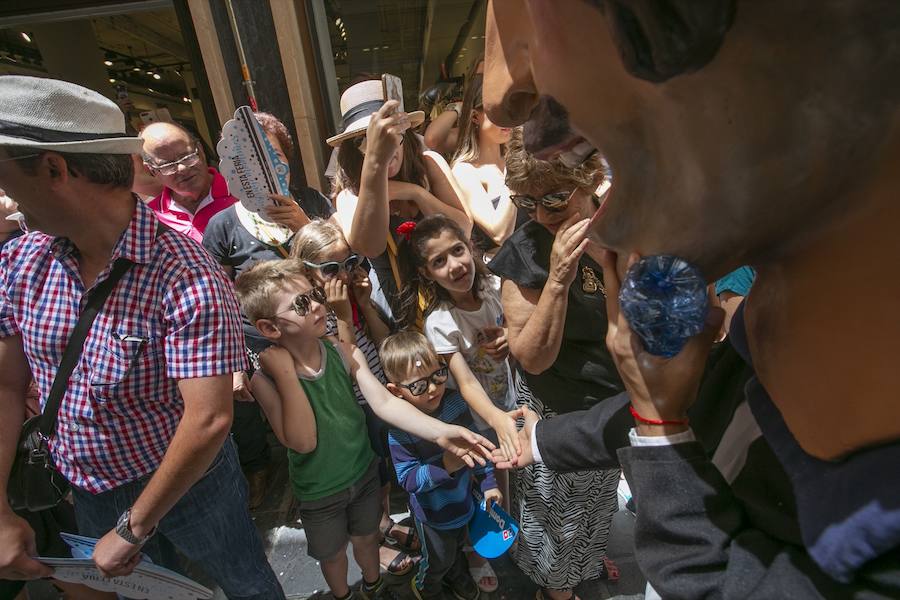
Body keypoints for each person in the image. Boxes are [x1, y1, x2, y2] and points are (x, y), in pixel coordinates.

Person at [483, 0, 900, 596]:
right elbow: (706, 395)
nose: (504, 92)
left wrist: (659, 427)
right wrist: (548, 437)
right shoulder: (767, 337)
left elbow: (711, 579)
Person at [0, 76, 285, 598]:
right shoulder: (20, 260)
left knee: (245, 581)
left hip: (193, 485)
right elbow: (5, 385)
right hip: (84, 486)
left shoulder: (185, 272)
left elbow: (209, 418)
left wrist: (133, 526)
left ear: (53, 170)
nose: (6, 198)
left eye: (6, 178)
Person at [233, 261, 495, 600]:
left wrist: (440, 432)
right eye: (301, 304)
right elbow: (303, 440)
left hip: (363, 473)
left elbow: (385, 404)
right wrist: (286, 376)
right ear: (269, 328)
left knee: (368, 538)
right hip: (319, 492)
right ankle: (344, 595)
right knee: (332, 555)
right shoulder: (267, 378)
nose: (316, 305)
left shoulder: (343, 351)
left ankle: (372, 586)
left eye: (314, 295)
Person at [487, 130, 623, 599]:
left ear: (590, 180)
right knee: (557, 519)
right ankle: (556, 588)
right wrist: (560, 278)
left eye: (555, 198)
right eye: (526, 202)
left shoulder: (626, 228)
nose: (541, 215)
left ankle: (584, 561)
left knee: (597, 504)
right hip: (555, 409)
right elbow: (532, 359)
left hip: (611, 405)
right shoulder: (525, 251)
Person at [202, 111, 335, 509]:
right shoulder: (222, 224)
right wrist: (235, 363)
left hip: (317, 333)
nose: (263, 170)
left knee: (329, 412)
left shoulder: (310, 200)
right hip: (261, 346)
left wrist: (302, 224)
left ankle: (337, 478)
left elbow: (334, 262)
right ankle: (290, 482)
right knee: (286, 425)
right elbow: (216, 299)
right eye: (250, 159)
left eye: (273, 156)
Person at [397, 214, 519, 592]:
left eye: (457, 251)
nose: (455, 265)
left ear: (471, 248)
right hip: (480, 419)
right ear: (426, 273)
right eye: (439, 261)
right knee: (487, 486)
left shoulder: (499, 287)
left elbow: (525, 328)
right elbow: (464, 383)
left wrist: (512, 334)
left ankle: (511, 534)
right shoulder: (439, 321)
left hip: (513, 403)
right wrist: (495, 420)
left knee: (512, 481)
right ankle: (478, 551)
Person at [290, 219, 416, 575]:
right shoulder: (311, 313)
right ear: (306, 271)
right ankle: (371, 539)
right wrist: (343, 315)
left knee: (382, 473)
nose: (344, 275)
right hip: (352, 407)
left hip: (376, 395)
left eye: (350, 263)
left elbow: (381, 344)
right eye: (331, 268)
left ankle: (383, 522)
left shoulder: (348, 295)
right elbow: (342, 370)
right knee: (366, 478)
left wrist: (363, 304)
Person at [328, 77, 472, 318]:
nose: (386, 146)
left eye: (390, 134)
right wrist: (376, 166)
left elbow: (464, 229)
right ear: (354, 151)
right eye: (366, 141)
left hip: (453, 300)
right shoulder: (349, 194)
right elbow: (370, 247)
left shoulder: (429, 164)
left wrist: (414, 192)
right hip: (399, 313)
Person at [381, 331, 500, 600]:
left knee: (457, 547)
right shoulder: (401, 430)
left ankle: (457, 574)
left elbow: (476, 447)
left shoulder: (455, 403)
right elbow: (408, 479)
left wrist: (490, 484)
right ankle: (427, 586)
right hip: (432, 516)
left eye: (438, 375)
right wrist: (445, 466)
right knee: (437, 559)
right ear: (396, 391)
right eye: (419, 386)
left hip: (463, 504)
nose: (434, 388)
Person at [450, 73, 519, 259]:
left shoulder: (513, 159)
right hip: (505, 277)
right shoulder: (464, 171)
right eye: (498, 109)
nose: (508, 117)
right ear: (474, 117)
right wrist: (517, 168)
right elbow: (499, 232)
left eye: (513, 107)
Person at [140, 121, 235, 243]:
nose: (182, 169)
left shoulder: (241, 193)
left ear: (200, 151)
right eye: (167, 165)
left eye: (187, 157)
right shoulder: (150, 219)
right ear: (152, 171)